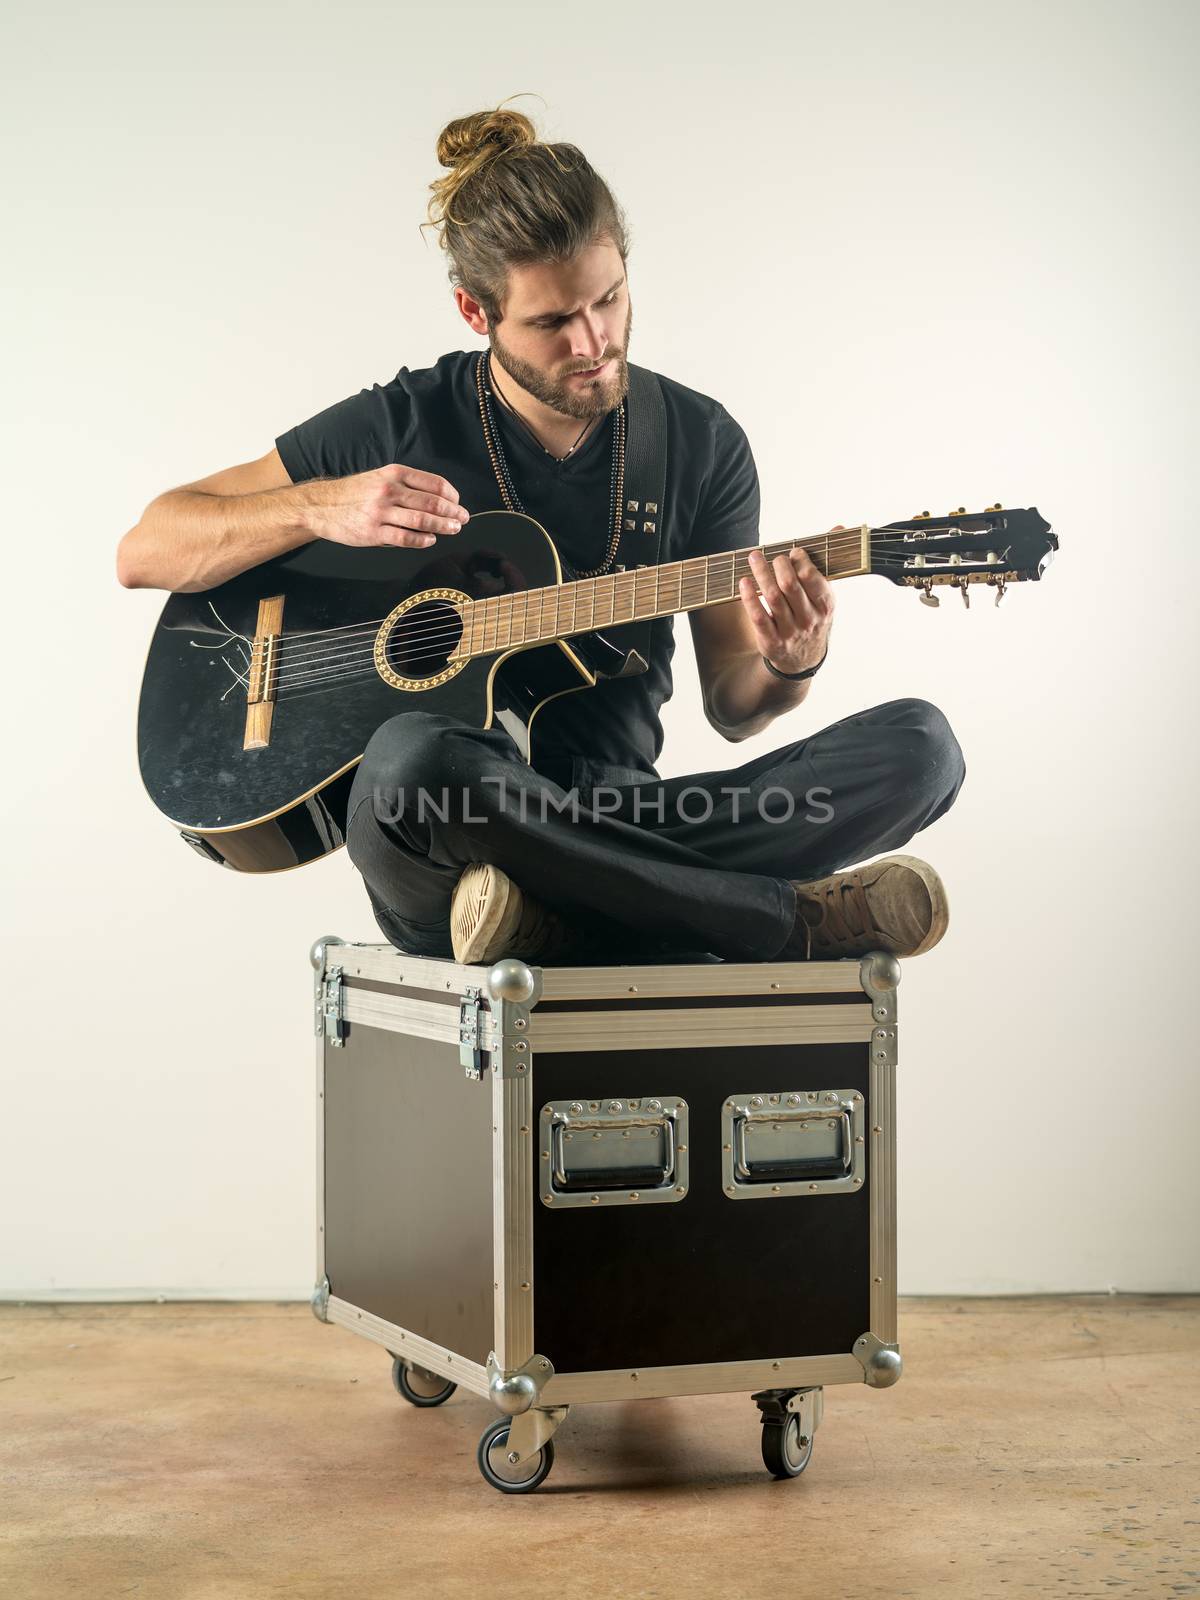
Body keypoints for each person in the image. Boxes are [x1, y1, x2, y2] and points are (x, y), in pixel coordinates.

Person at [117, 102, 966, 968]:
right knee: (408, 762)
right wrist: (317, 507)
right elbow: (147, 547)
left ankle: (566, 918)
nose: (595, 341)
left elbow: (734, 709)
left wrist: (791, 664)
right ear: (473, 312)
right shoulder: (400, 422)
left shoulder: (702, 444)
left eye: (610, 299)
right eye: (554, 322)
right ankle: (785, 923)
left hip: (633, 816)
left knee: (921, 752)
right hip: (451, 839)